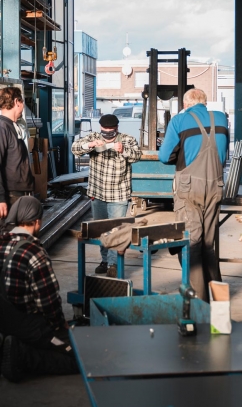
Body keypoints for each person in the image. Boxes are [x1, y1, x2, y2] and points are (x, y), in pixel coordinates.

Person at [159, 89, 229, 302]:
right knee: (208, 245)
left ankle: (199, 306)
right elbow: (223, 154)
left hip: (189, 188)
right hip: (215, 185)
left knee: (192, 243)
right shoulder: (221, 118)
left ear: (186, 104)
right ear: (204, 103)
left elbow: (164, 156)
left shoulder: (179, 120)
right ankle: (219, 307)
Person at [0, 196, 78, 382]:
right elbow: (48, 302)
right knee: (78, 358)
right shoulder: (34, 253)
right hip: (28, 325)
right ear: (36, 222)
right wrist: (61, 326)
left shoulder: (2, 243)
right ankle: (23, 356)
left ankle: (9, 346)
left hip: (3, 321)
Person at [71, 113, 141, 277]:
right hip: (98, 192)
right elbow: (75, 148)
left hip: (119, 193)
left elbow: (137, 155)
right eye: (105, 130)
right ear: (100, 128)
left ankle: (113, 264)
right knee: (101, 230)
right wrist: (90, 144)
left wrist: (123, 150)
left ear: (117, 128)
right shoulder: (94, 137)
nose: (108, 133)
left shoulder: (127, 139)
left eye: (111, 130)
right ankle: (104, 260)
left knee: (115, 231)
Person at [0, 86, 34, 219]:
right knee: (10, 236)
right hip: (10, 194)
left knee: (21, 236)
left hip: (19, 192)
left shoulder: (12, 126)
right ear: (16, 102)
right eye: (23, 102)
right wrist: (1, 198)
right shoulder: (2, 128)